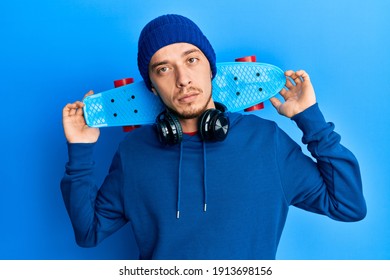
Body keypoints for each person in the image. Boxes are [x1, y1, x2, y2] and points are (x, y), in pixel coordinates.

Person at [61, 14, 366, 260]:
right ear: (151, 87)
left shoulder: (265, 140)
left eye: (191, 60)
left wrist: (310, 119)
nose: (183, 80)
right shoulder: (134, 152)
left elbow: (348, 205)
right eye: (164, 69)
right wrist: (80, 150)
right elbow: (89, 233)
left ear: (211, 68)